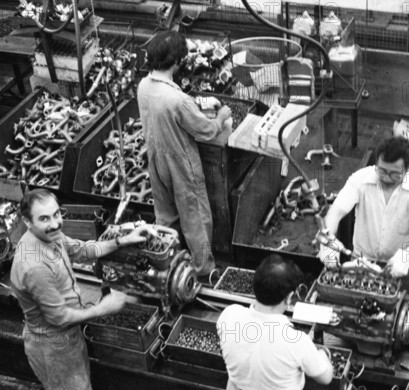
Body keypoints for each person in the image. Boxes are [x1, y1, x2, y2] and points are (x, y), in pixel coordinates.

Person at [10, 189, 156, 390]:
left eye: (56, 214)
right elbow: (60, 317)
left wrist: (122, 240)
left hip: (69, 337)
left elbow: (83, 250)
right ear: (27, 222)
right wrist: (104, 308)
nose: (54, 224)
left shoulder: (50, 235)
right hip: (54, 346)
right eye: (44, 218)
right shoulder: (34, 267)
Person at [137, 30, 232, 275]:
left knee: (166, 214)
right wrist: (222, 115)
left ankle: (166, 260)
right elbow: (207, 131)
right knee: (196, 219)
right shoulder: (177, 101)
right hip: (181, 165)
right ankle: (203, 268)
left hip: (156, 159)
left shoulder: (144, 86)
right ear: (178, 61)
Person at [317, 136, 409, 301]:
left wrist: (407, 255)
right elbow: (335, 212)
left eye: (394, 174)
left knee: (404, 315)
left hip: (400, 267)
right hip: (360, 263)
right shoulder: (360, 179)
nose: (386, 177)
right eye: (382, 170)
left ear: (407, 169)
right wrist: (327, 242)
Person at [217, 254, 333, 390]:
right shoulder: (297, 342)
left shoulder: (229, 316)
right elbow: (326, 378)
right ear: (289, 297)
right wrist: (322, 354)